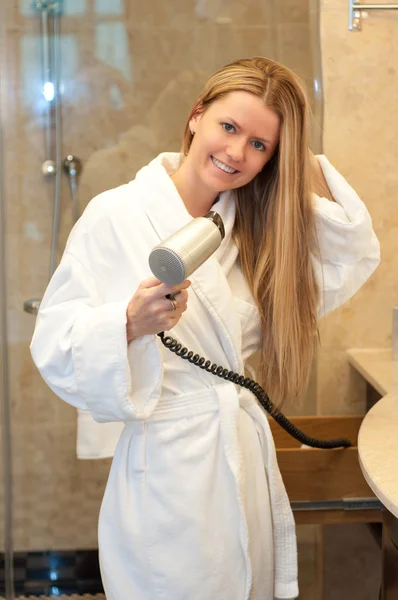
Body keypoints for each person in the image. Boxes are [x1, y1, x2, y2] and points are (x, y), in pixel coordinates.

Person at [30, 57, 380, 600]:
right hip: (166, 472)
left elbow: (349, 257)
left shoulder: (259, 227)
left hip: (240, 457)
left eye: (261, 145)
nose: (237, 152)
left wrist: (298, 160)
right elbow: (53, 343)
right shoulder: (114, 215)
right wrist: (126, 324)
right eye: (229, 127)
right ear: (196, 116)